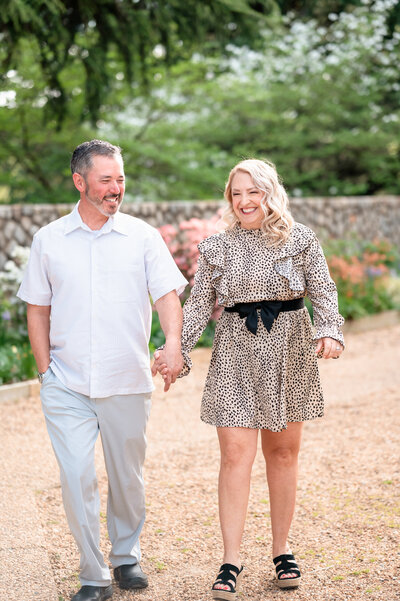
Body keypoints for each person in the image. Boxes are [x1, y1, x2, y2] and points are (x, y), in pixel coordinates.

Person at [153, 158, 344, 599]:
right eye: (236, 194)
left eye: (252, 192)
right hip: (236, 352)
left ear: (269, 193)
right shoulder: (217, 247)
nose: (244, 201)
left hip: (289, 352)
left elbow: (324, 290)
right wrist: (174, 352)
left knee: (282, 453)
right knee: (235, 456)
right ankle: (231, 559)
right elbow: (198, 306)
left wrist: (330, 329)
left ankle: (282, 550)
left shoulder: (301, 240)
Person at [17, 139, 187, 601]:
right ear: (80, 181)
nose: (117, 189)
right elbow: (37, 309)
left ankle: (126, 556)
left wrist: (173, 343)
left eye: (121, 179)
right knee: (76, 477)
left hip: (127, 380)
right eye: (107, 180)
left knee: (127, 478)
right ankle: (93, 576)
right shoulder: (48, 240)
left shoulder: (143, 237)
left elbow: (167, 296)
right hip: (65, 384)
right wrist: (44, 371)